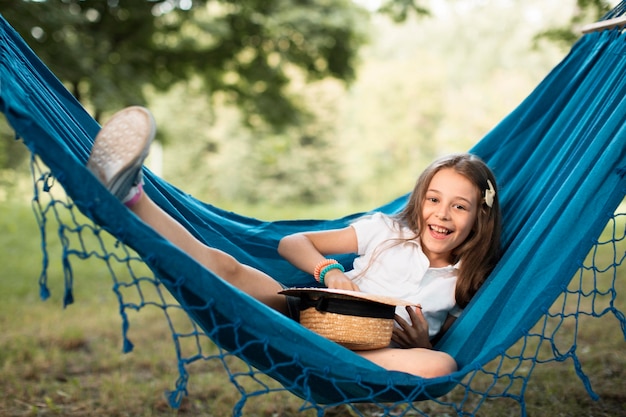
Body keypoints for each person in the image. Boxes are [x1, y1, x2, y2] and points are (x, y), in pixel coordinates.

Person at [86, 106, 502, 378]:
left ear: (479, 218)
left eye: (459, 206)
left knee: (442, 363)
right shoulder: (387, 231)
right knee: (226, 267)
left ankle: (334, 364)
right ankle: (132, 198)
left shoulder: (463, 280)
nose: (442, 214)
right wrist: (331, 270)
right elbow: (292, 243)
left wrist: (424, 345)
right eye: (433, 199)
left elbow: (442, 343)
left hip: (374, 356)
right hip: (307, 319)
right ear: (420, 200)